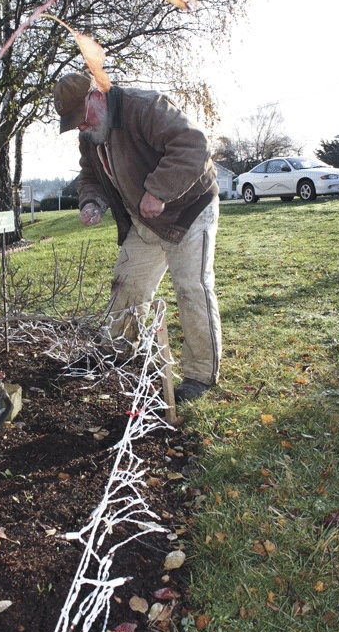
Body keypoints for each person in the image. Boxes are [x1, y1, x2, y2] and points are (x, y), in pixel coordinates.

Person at [53, 72, 222, 402]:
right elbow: (90, 175)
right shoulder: (90, 135)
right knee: (128, 284)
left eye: (82, 119)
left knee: (192, 288)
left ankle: (200, 375)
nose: (81, 128)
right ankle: (117, 349)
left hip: (188, 210)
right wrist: (91, 202)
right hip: (144, 220)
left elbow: (194, 146)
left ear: (97, 96)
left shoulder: (145, 107)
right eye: (75, 124)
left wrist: (159, 191)